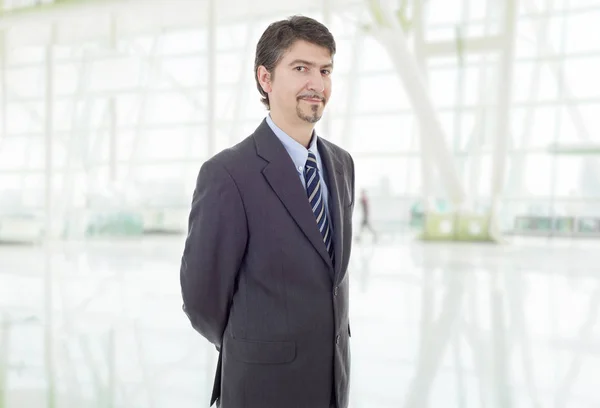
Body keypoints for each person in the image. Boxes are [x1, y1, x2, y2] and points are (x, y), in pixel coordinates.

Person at [180, 15, 355, 408]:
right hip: (262, 387)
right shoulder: (228, 173)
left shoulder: (341, 165)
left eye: (325, 70)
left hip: (331, 383)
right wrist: (255, 345)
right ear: (266, 78)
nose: (317, 83)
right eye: (300, 68)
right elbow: (201, 299)